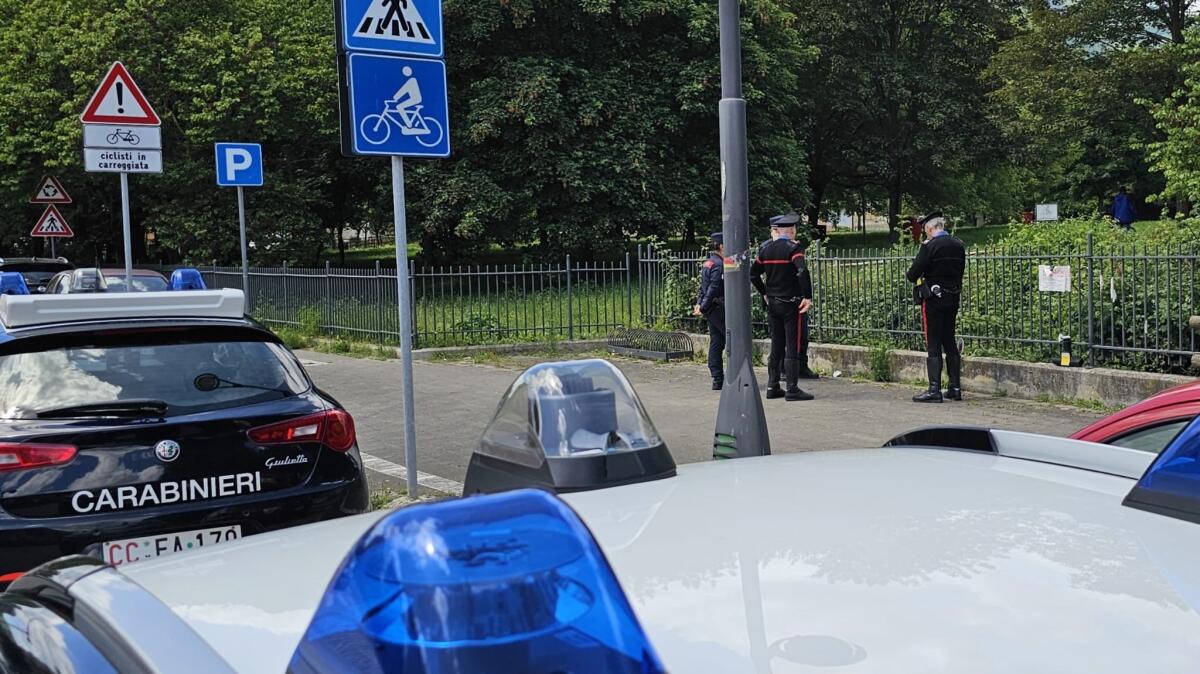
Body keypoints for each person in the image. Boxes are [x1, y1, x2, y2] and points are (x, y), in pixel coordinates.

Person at [750, 212, 814, 401]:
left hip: (773, 303)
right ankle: (792, 389)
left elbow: (753, 274)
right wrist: (808, 296)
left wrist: (764, 292)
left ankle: (772, 386)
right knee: (792, 344)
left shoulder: (765, 249)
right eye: (794, 229)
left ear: (776, 231)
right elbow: (802, 270)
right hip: (791, 303)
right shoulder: (794, 249)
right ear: (792, 230)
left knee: (776, 344)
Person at [906, 213, 966, 403]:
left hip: (933, 299)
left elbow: (912, 274)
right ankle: (955, 388)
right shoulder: (958, 245)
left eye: (926, 231)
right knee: (949, 340)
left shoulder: (929, 246)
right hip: (953, 296)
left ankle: (934, 390)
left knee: (933, 342)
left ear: (930, 229)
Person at [693, 233, 726, 390]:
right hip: (718, 308)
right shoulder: (719, 264)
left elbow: (703, 287)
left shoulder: (708, 263)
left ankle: (717, 378)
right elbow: (713, 288)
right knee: (730, 340)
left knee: (716, 342)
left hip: (711, 309)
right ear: (721, 246)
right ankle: (724, 377)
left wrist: (700, 304)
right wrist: (703, 306)